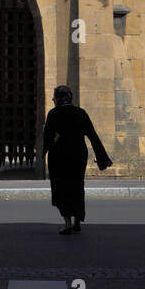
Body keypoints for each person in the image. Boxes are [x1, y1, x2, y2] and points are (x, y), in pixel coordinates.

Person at [42, 85, 112, 234]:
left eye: (54, 98)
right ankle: (77, 221)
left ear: (58, 99)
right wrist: (103, 158)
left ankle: (67, 223)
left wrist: (45, 150)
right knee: (77, 186)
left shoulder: (54, 114)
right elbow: (92, 136)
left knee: (61, 187)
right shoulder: (81, 113)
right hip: (78, 154)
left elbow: (47, 137)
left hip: (59, 155)